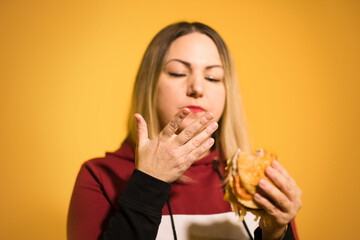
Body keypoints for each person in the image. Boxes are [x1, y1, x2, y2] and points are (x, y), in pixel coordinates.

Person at [67, 22, 302, 240]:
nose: (197, 88)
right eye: (178, 72)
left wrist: (276, 234)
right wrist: (148, 183)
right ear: (150, 84)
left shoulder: (257, 180)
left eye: (213, 77)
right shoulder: (99, 176)